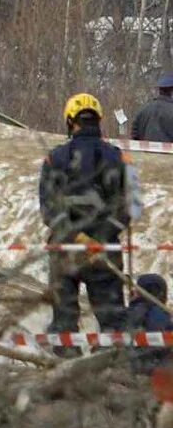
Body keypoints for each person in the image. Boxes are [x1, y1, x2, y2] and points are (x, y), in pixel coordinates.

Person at [39, 93, 138, 335]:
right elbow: (129, 207)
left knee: (64, 325)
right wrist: (101, 238)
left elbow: (49, 208)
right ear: (99, 120)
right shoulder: (120, 158)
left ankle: (65, 363)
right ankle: (113, 366)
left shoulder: (54, 158)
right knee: (113, 324)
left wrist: (77, 236)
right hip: (105, 251)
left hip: (65, 249)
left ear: (70, 121)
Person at [123, 274, 173, 374]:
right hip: (152, 367)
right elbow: (160, 344)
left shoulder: (131, 310)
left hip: (131, 363)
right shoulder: (157, 313)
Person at [134, 72, 173, 143]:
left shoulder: (143, 109)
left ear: (159, 90)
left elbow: (135, 135)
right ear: (171, 91)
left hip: (144, 153)